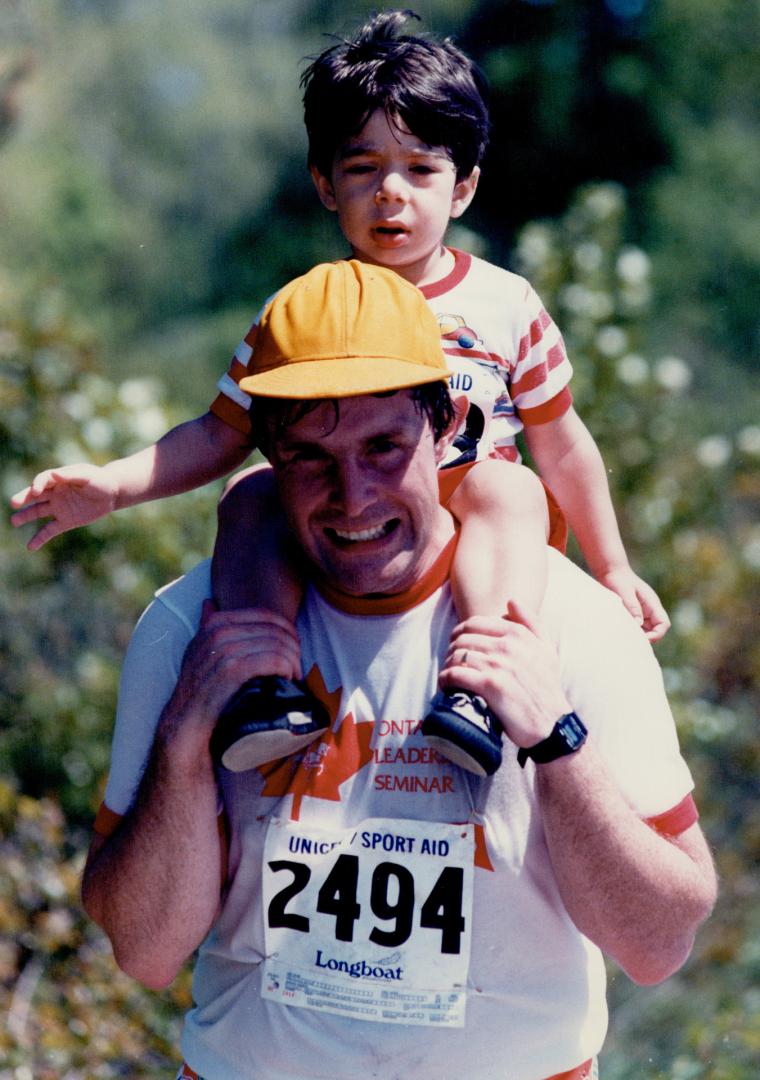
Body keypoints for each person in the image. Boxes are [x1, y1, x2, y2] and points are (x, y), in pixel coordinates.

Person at [82, 260, 715, 1080]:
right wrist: (184, 738)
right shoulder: (191, 629)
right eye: (311, 458)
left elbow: (659, 943)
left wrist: (557, 739)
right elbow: (144, 950)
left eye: (384, 447)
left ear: (450, 426)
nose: (353, 496)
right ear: (268, 454)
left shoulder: (572, 623)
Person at [10, 10, 668, 778]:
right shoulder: (296, 316)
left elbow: (562, 439)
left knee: (508, 486)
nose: (392, 194)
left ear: (463, 187)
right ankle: (266, 689)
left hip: (466, 522)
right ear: (325, 184)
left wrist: (613, 565)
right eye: (364, 169)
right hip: (350, 520)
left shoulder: (506, 305)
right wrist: (111, 486)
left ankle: (478, 689)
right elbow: (220, 432)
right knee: (252, 491)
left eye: (421, 169)